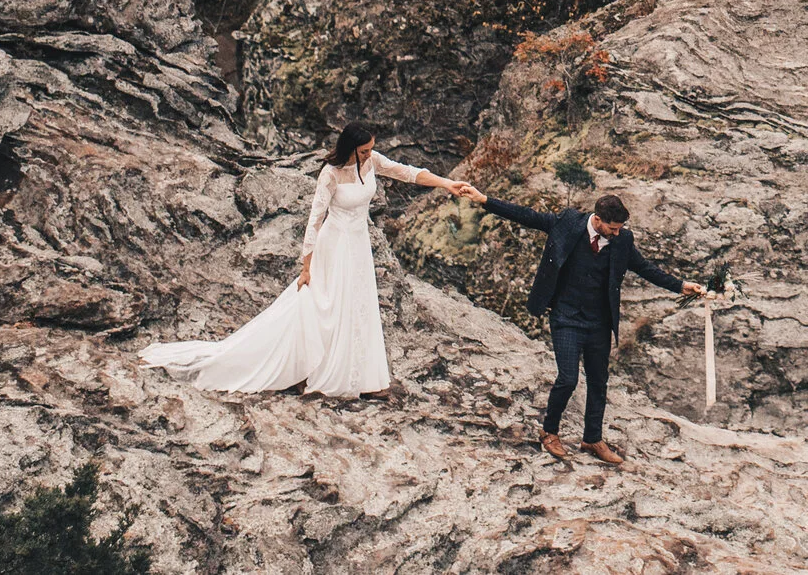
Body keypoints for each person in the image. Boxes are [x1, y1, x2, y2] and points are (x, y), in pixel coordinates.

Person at [143, 123, 476, 399]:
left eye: (371, 150)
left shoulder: (372, 162)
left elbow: (408, 173)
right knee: (329, 308)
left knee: (359, 306)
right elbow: (315, 219)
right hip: (334, 245)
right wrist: (306, 266)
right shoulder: (330, 174)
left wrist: (447, 183)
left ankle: (365, 378)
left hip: (358, 243)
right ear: (349, 149)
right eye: (363, 151)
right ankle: (316, 371)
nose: (368, 155)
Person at [469, 186, 705, 464]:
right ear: (597, 219)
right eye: (613, 228)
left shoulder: (623, 240)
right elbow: (526, 216)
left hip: (599, 322)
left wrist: (680, 286)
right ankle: (549, 432)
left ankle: (592, 439)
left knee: (599, 382)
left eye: (620, 229)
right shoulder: (567, 223)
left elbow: (645, 268)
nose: (617, 233)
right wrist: (485, 200)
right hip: (566, 317)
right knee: (567, 379)